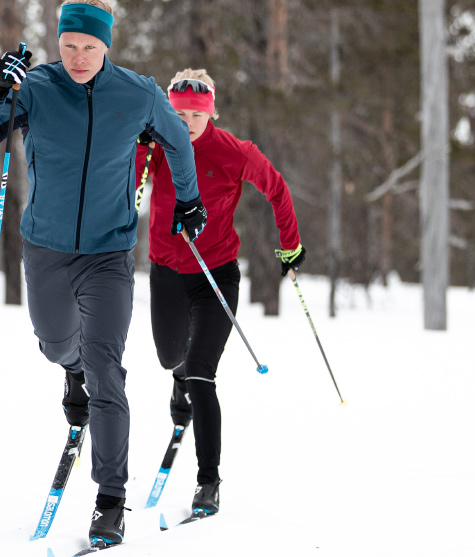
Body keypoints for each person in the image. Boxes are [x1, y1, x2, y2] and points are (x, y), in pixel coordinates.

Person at [0, 0, 204, 546]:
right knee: (54, 344)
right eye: (69, 45)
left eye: (89, 48)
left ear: (107, 46)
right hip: (44, 248)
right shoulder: (37, 87)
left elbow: (177, 141)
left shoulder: (137, 92)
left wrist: (188, 201)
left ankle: (110, 499)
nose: (77, 56)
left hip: (109, 252)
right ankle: (70, 369)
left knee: (106, 369)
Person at [135, 68, 305, 519]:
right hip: (167, 271)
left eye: (196, 114)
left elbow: (277, 189)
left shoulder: (234, 153)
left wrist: (291, 245)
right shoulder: (152, 146)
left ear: (211, 113)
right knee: (171, 357)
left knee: (201, 375)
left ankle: (207, 482)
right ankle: (179, 379)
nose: (187, 121)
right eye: (178, 113)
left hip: (216, 276)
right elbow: (122, 183)